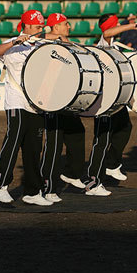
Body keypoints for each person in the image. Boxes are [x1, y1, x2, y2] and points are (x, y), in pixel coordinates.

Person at [0, 10, 53, 206]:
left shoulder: (42, 46)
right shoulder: (13, 44)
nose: (40, 29)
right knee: (13, 142)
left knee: (33, 149)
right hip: (16, 101)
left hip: (37, 105)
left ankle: (33, 191)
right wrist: (15, 41)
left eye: (42, 26)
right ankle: (0, 186)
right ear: (26, 26)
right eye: (36, 26)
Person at [78, 14, 137, 197]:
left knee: (124, 128)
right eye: (117, 24)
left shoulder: (112, 46)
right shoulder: (104, 44)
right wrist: (131, 26)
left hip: (114, 100)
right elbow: (107, 31)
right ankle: (93, 182)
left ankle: (112, 164)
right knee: (101, 141)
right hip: (104, 102)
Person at [39, 13, 87, 202]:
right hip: (52, 99)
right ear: (55, 27)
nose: (70, 26)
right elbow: (35, 36)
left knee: (77, 133)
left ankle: (72, 174)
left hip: (68, 98)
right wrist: (56, 38)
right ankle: (47, 186)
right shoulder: (45, 42)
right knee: (54, 144)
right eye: (66, 24)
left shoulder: (68, 43)